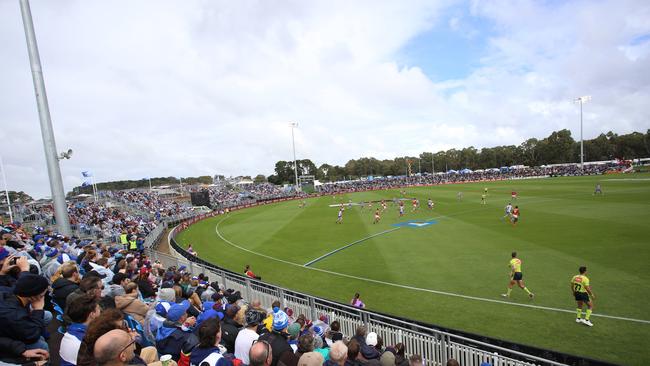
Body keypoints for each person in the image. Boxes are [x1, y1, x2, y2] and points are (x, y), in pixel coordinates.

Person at [0, 273, 50, 351]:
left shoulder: (15, 292)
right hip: (6, 339)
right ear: (33, 297)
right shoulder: (15, 316)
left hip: (11, 324)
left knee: (47, 315)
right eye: (42, 295)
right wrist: (38, 310)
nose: (43, 298)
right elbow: (31, 335)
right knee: (42, 345)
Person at [60, 294, 101, 366]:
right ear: (92, 314)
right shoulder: (84, 342)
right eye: (99, 309)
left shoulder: (71, 332)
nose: (101, 312)